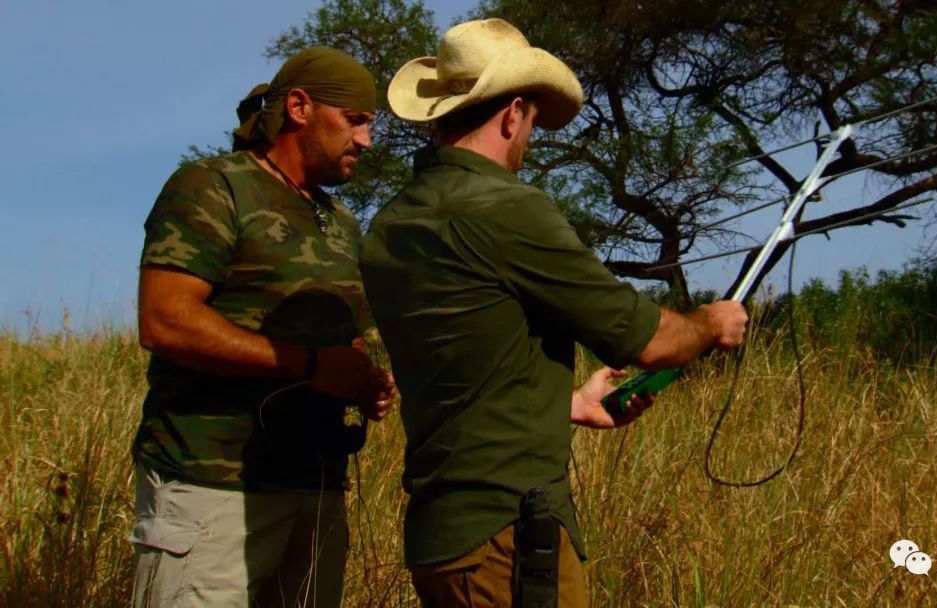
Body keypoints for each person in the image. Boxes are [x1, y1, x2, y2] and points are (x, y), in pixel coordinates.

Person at [360, 19, 749, 607]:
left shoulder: (390, 223)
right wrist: (711, 324)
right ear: (513, 113)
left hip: (441, 536)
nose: (529, 138)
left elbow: (459, 364)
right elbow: (649, 343)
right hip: (507, 537)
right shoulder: (508, 209)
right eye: (533, 123)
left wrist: (567, 402)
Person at [129, 47, 394, 608]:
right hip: (212, 490)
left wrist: (359, 377)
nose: (367, 141)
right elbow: (164, 318)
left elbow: (335, 340)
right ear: (299, 107)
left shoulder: (342, 221)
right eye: (355, 120)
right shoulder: (213, 186)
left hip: (316, 488)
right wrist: (312, 367)